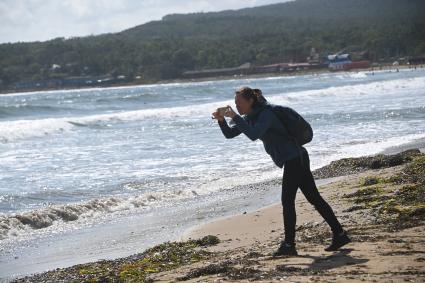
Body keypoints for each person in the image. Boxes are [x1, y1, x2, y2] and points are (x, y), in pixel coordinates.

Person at [211, 86, 351, 256]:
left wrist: (233, 116)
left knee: (288, 201)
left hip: (295, 159)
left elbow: (254, 134)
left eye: (239, 103)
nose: (237, 106)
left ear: (251, 101)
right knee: (313, 198)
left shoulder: (266, 114)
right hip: (295, 159)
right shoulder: (250, 117)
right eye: (235, 104)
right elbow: (230, 134)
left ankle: (289, 245)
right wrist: (221, 120)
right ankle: (339, 234)